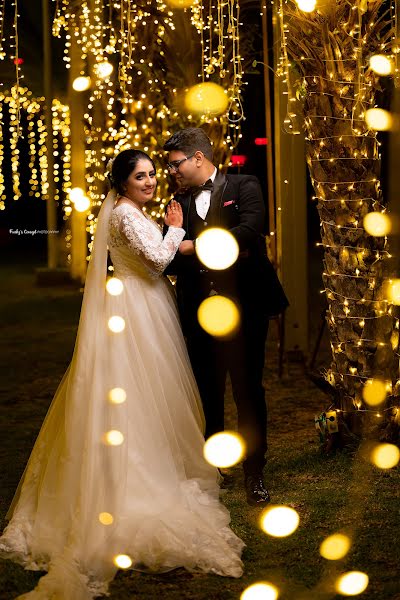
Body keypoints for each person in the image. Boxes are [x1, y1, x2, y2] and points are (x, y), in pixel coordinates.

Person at [0, 149, 244, 600]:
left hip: (141, 304)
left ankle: (146, 459)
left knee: (145, 393)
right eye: (141, 176)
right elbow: (155, 261)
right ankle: (134, 478)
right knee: (140, 391)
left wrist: (177, 238)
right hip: (137, 310)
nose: (150, 182)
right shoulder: (130, 217)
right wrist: (174, 232)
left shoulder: (130, 210)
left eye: (153, 174)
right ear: (123, 182)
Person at [163, 128, 289, 506]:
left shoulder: (244, 184)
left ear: (198, 158)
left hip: (246, 307)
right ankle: (212, 472)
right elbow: (169, 254)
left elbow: (250, 231)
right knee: (207, 391)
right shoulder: (176, 203)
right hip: (197, 310)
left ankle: (255, 473)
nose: (171, 171)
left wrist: (194, 245)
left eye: (175, 164)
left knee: (248, 390)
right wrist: (175, 242)